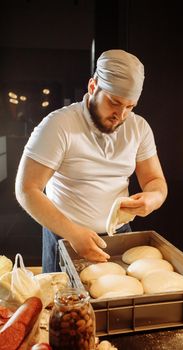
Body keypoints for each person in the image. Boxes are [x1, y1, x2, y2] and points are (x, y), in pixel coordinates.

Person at [15, 49, 168, 273]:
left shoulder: (139, 128)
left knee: (116, 303)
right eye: (114, 102)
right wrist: (73, 233)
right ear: (93, 87)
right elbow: (27, 189)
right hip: (66, 235)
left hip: (119, 234)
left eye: (130, 106)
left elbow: (155, 180)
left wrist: (153, 199)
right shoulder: (58, 126)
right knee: (65, 305)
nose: (121, 114)